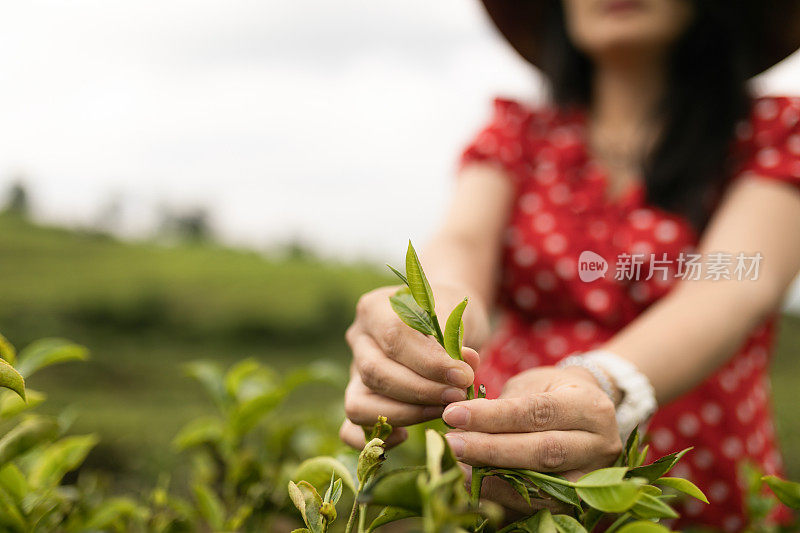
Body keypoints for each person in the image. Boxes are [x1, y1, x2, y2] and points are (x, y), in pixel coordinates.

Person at [339, 0, 800, 529]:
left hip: (702, 495)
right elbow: (464, 244)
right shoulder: (519, 136)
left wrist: (602, 379)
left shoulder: (771, 132)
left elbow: (735, 281)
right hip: (517, 484)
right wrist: (429, 320)